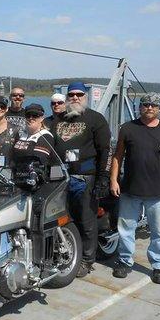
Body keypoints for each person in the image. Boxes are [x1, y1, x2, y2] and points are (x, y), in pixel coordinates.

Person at [110, 93, 160, 284]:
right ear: (140, 107)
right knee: (126, 230)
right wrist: (114, 180)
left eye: (154, 105)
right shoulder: (127, 129)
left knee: (159, 232)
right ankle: (125, 261)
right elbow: (117, 156)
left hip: (158, 192)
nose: (149, 108)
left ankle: (159, 266)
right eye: (145, 104)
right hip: (130, 189)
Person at [49, 81, 111, 278]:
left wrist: (103, 179)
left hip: (85, 178)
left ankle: (87, 260)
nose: (75, 98)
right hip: (60, 178)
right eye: (71, 95)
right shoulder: (58, 120)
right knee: (62, 219)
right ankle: (67, 253)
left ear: (86, 97)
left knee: (86, 220)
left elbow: (104, 151)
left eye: (79, 95)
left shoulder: (96, 119)